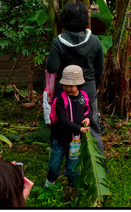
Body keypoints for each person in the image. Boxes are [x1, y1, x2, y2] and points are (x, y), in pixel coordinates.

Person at [46, 1, 104, 156]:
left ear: (65, 19)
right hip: (88, 90)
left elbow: (51, 68)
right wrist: (95, 85)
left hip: (64, 92)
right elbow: (99, 70)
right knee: (92, 125)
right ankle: (97, 164)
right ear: (85, 19)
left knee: (65, 125)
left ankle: (68, 164)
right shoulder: (95, 41)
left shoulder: (59, 43)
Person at [45, 65, 91, 199]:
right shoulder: (60, 100)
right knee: (54, 165)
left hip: (75, 141)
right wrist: (78, 128)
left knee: (73, 167)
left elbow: (89, 109)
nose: (68, 88)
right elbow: (63, 120)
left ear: (79, 84)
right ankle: (50, 181)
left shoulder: (83, 97)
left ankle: (72, 187)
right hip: (60, 140)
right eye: (65, 85)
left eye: (72, 86)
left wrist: (88, 118)